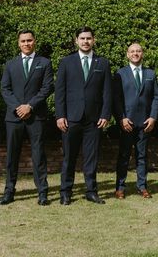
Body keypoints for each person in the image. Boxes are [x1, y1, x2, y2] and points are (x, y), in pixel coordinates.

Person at [55, 26, 111, 205]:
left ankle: (91, 191)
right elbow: (60, 92)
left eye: (89, 38)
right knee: (69, 157)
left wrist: (105, 114)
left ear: (94, 40)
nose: (85, 41)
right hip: (70, 118)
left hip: (94, 119)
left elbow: (107, 92)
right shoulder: (66, 62)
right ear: (76, 41)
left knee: (91, 157)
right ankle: (65, 191)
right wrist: (60, 115)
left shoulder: (102, 63)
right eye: (82, 38)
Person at [0, 30, 54, 206]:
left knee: (38, 155)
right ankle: (9, 191)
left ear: (34, 42)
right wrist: (18, 107)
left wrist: (29, 106)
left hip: (36, 115)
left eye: (29, 40)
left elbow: (47, 88)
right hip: (14, 117)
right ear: (18, 43)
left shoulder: (44, 63)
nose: (26, 43)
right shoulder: (10, 64)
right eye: (23, 41)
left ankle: (42, 192)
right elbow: (5, 89)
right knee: (12, 155)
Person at [113, 42, 158, 199]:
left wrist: (153, 117)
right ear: (127, 54)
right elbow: (116, 99)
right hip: (127, 123)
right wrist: (121, 118)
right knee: (124, 156)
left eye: (138, 51)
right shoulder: (120, 73)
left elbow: (155, 97)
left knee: (142, 156)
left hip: (145, 122)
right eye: (132, 51)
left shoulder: (150, 74)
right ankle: (120, 187)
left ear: (142, 53)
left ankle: (142, 186)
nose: (135, 53)